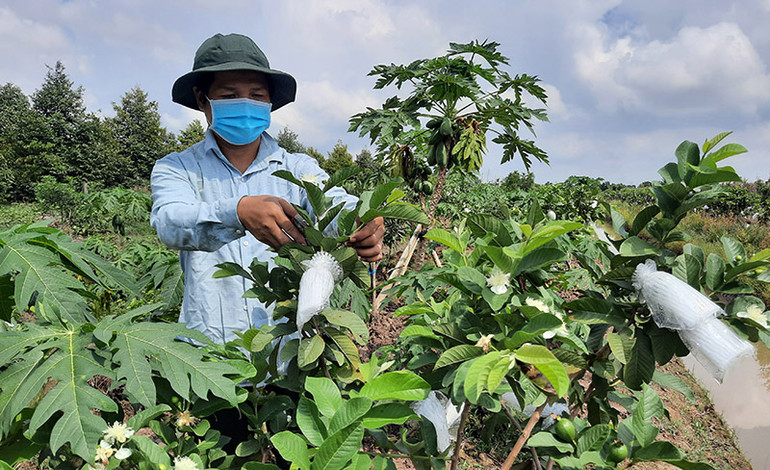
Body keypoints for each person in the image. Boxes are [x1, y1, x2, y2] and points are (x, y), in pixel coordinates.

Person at [150, 33, 384, 346]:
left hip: (288, 351)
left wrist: (361, 222)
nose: (245, 104)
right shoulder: (177, 168)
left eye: (257, 95)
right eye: (230, 95)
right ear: (202, 97)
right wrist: (237, 212)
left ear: (270, 102)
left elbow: (332, 203)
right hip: (209, 355)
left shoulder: (299, 169)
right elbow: (170, 222)